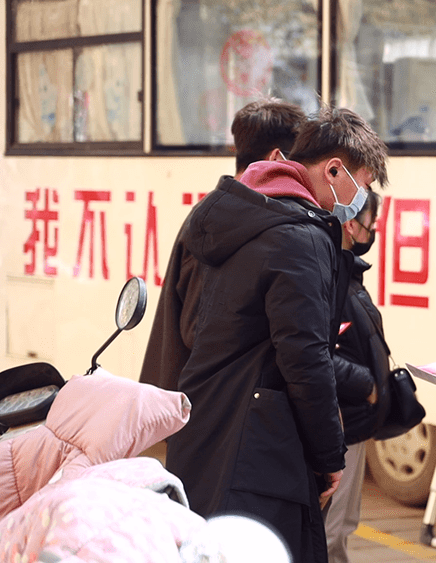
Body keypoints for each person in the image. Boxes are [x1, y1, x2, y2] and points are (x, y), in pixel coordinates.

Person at [141, 104, 389, 563]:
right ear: (334, 169)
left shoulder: (225, 213)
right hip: (261, 453)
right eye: (363, 184)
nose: (359, 200)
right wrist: (330, 457)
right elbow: (306, 359)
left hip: (204, 428)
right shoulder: (303, 236)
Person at [141, 98, 306, 393]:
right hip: (202, 410)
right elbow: (198, 328)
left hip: (194, 404)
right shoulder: (230, 219)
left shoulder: (219, 211)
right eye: (299, 163)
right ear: (278, 159)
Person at [321, 188, 387, 563]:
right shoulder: (331, 273)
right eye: (370, 222)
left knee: (340, 526)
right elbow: (316, 352)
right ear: (350, 223)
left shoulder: (344, 269)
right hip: (341, 419)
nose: (372, 231)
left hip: (352, 419)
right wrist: (366, 385)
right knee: (333, 532)